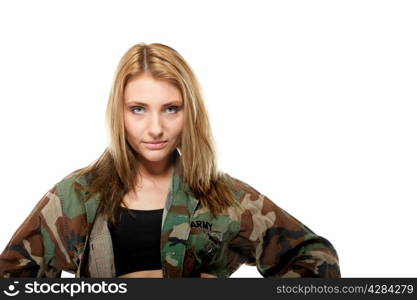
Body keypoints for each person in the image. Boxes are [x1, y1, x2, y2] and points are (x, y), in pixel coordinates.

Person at [0, 43, 341, 278]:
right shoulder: (75, 195)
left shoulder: (224, 197)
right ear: (118, 113)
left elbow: (314, 257)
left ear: (189, 113)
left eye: (171, 109)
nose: (155, 128)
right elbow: (11, 279)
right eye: (138, 109)